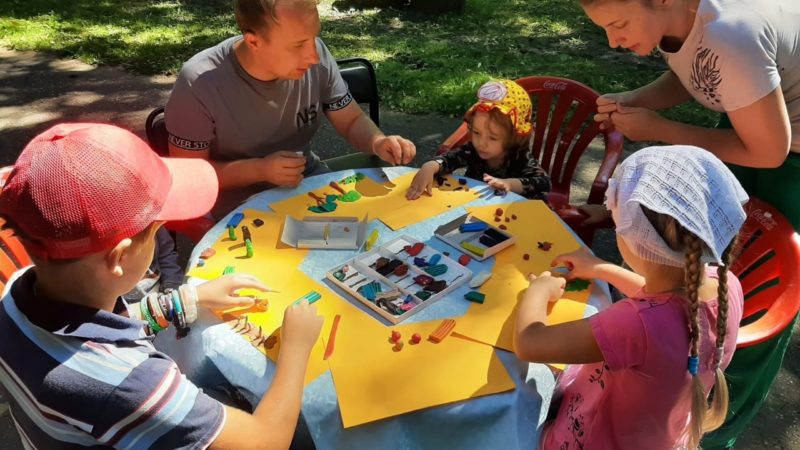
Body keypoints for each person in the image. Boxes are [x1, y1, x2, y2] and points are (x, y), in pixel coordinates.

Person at [0, 123, 324, 449]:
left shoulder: (14, 299)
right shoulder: (130, 382)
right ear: (121, 256)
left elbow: (105, 326)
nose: (159, 240)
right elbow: (266, 442)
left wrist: (190, 298)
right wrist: (296, 348)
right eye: (157, 234)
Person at [578, 0, 800, 446]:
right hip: (758, 128)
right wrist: (635, 100)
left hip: (788, 157)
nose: (613, 40)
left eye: (619, 24)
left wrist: (661, 128)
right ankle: (679, 388)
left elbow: (769, 150)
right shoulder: (679, 19)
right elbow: (695, 70)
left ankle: (715, 431)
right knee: (705, 264)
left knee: (758, 297)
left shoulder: (732, 35)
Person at [513, 146, 747, 449]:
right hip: (660, 434)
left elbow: (530, 343)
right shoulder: (726, 283)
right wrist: (602, 269)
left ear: (637, 239)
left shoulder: (633, 324)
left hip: (595, 439)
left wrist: (537, 292)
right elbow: (660, 302)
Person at [165, 0, 416, 218]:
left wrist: (378, 142)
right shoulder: (199, 81)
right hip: (237, 208)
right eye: (297, 45)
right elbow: (189, 176)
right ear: (254, 41)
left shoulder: (314, 55)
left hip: (310, 186)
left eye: (314, 38)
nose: (314, 57)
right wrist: (259, 170)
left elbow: (350, 121)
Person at [406, 79, 551, 200]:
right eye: (476, 132)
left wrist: (510, 184)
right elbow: (451, 158)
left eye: (493, 137)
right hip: (476, 209)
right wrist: (430, 166)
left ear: (513, 137)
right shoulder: (473, 150)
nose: (481, 142)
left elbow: (544, 183)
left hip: (514, 216)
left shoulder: (518, 155)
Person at [122, 227, 183, 302]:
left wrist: (171, 285)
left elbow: (166, 256)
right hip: (125, 303)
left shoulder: (156, 226)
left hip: (159, 290)